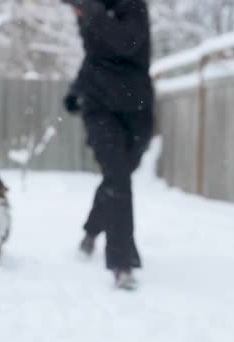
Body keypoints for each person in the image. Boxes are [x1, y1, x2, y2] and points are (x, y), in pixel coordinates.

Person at [61, 0, 154, 290]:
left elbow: (125, 44)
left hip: (136, 108)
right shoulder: (93, 13)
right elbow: (94, 57)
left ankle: (91, 232)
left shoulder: (132, 8)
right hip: (99, 108)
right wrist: (77, 89)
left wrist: (91, 12)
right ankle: (121, 263)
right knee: (116, 175)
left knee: (120, 175)